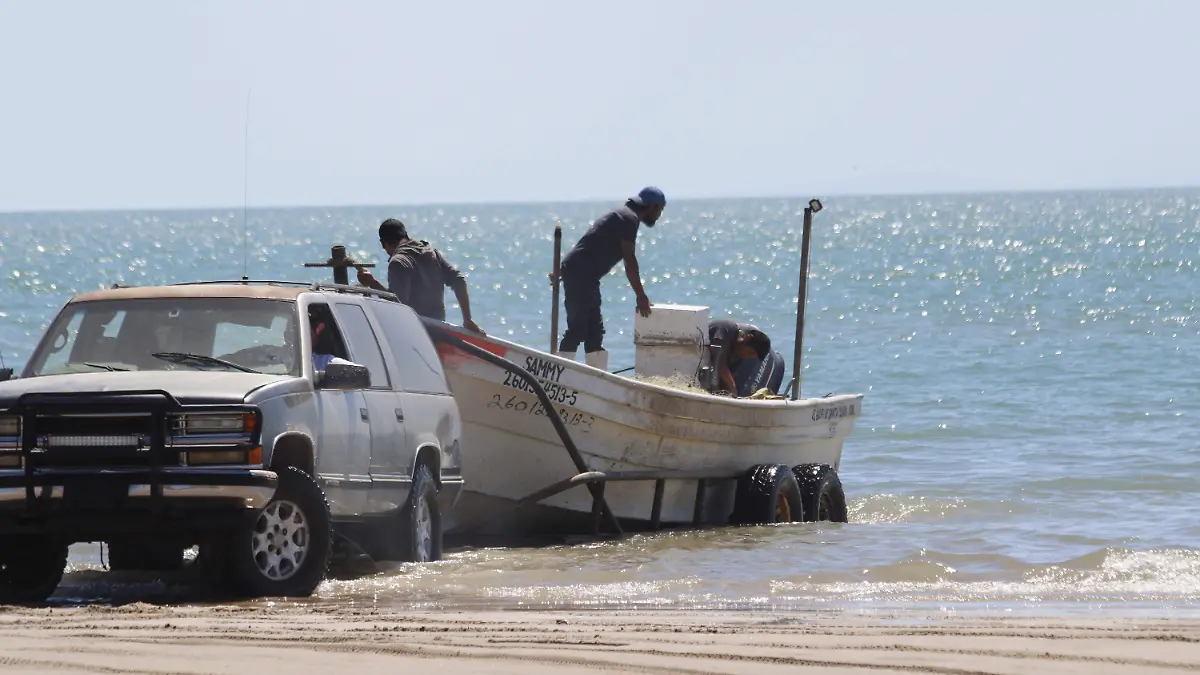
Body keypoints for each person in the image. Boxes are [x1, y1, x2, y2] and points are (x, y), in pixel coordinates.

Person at [554, 187, 666, 370]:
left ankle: (597, 377)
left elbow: (587, 243)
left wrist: (563, 269)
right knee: (578, 328)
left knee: (595, 332)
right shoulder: (628, 218)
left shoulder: (622, 215)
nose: (660, 215)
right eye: (660, 209)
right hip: (580, 274)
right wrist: (640, 295)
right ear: (652, 206)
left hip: (586, 276)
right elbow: (630, 260)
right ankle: (560, 374)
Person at [356, 219, 485, 334]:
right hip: (439, 328)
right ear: (405, 235)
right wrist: (467, 319)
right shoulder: (432, 252)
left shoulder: (398, 262)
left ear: (384, 244)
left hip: (416, 333)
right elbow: (459, 280)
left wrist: (371, 283)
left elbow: (397, 305)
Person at [707, 319, 785, 397]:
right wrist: (732, 387)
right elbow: (719, 361)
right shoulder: (726, 328)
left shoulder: (738, 358)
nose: (746, 356)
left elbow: (725, 380)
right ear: (747, 338)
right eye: (749, 353)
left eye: (750, 356)